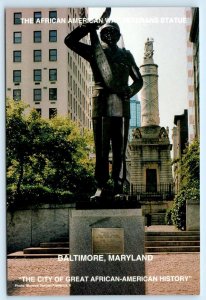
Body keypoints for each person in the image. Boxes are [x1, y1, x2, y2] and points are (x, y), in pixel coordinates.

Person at [64, 8, 143, 199]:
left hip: (122, 106)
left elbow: (139, 80)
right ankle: (100, 185)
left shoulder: (126, 55)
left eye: (112, 32)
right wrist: (90, 25)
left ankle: (118, 186)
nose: (109, 34)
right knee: (101, 149)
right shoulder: (94, 52)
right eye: (105, 31)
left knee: (120, 149)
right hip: (100, 106)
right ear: (101, 33)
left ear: (118, 35)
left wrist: (129, 92)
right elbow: (69, 41)